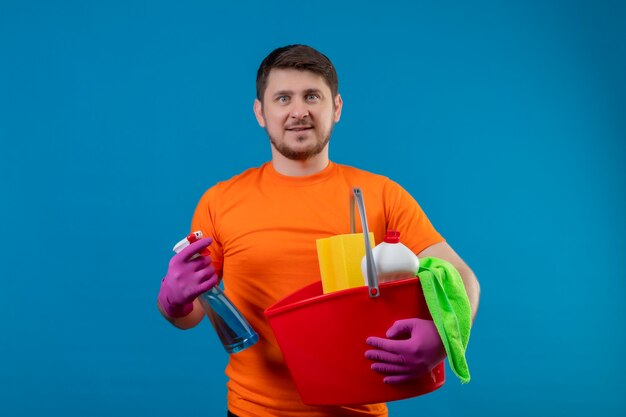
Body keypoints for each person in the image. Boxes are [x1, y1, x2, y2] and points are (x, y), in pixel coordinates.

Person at [157, 44, 480, 417]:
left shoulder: (381, 195)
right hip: (254, 411)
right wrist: (173, 301)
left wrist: (445, 335)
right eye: (283, 98)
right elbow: (192, 314)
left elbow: (463, 279)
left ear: (336, 108)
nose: (299, 111)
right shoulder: (220, 201)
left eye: (312, 96)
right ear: (261, 112)